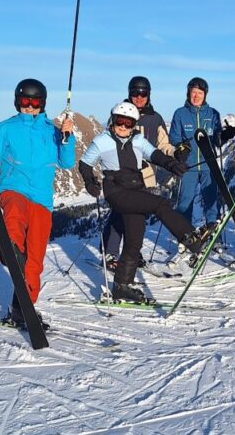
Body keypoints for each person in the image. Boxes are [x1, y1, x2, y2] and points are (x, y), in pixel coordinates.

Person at [0, 78, 75, 328]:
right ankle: (10, 249)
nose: (30, 106)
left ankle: (22, 308)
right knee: (14, 211)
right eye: (25, 101)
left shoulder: (53, 131)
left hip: (42, 200)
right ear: (17, 101)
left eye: (35, 102)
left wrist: (68, 137)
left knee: (35, 260)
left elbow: (66, 162)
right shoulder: (6, 128)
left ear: (42, 103)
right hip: (12, 189)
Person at [79, 102, 209, 302]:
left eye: (128, 123)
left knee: (134, 242)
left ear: (134, 125)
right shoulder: (102, 141)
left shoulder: (138, 140)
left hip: (136, 189)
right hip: (117, 191)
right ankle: (190, 237)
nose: (123, 126)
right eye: (120, 121)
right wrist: (90, 182)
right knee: (160, 204)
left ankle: (122, 286)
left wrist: (172, 165)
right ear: (113, 120)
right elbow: (85, 163)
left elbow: (155, 155)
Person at [102, 75, 177, 270]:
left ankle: (132, 253)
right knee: (119, 214)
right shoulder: (119, 114)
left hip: (145, 175)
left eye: (143, 93)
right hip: (121, 174)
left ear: (149, 95)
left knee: (138, 218)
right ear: (129, 94)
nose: (139, 97)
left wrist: (176, 153)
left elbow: (163, 144)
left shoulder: (155, 118)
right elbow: (108, 141)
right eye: (135, 93)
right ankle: (110, 253)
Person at [169, 77, 235, 231]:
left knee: (211, 199)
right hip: (188, 165)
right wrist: (180, 147)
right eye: (194, 92)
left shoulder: (213, 113)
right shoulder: (180, 114)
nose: (196, 96)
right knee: (185, 201)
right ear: (188, 93)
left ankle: (213, 230)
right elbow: (174, 137)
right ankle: (185, 232)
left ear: (205, 95)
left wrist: (225, 135)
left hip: (209, 164)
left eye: (200, 93)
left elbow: (217, 141)